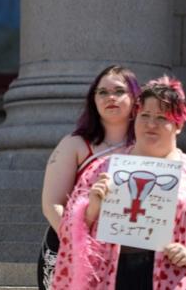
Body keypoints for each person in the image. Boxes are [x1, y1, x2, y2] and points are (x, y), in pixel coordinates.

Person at [52, 76, 186, 289]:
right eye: (145, 115)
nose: (151, 124)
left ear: (178, 125)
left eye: (162, 118)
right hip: (107, 276)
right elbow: (69, 232)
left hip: (168, 276)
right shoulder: (103, 168)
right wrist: (90, 209)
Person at [38, 65, 140, 289]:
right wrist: (79, 243)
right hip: (72, 251)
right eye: (102, 92)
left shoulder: (147, 149)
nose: (110, 97)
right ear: (93, 99)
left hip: (129, 259)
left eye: (119, 91)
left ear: (135, 98)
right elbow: (52, 204)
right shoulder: (75, 144)